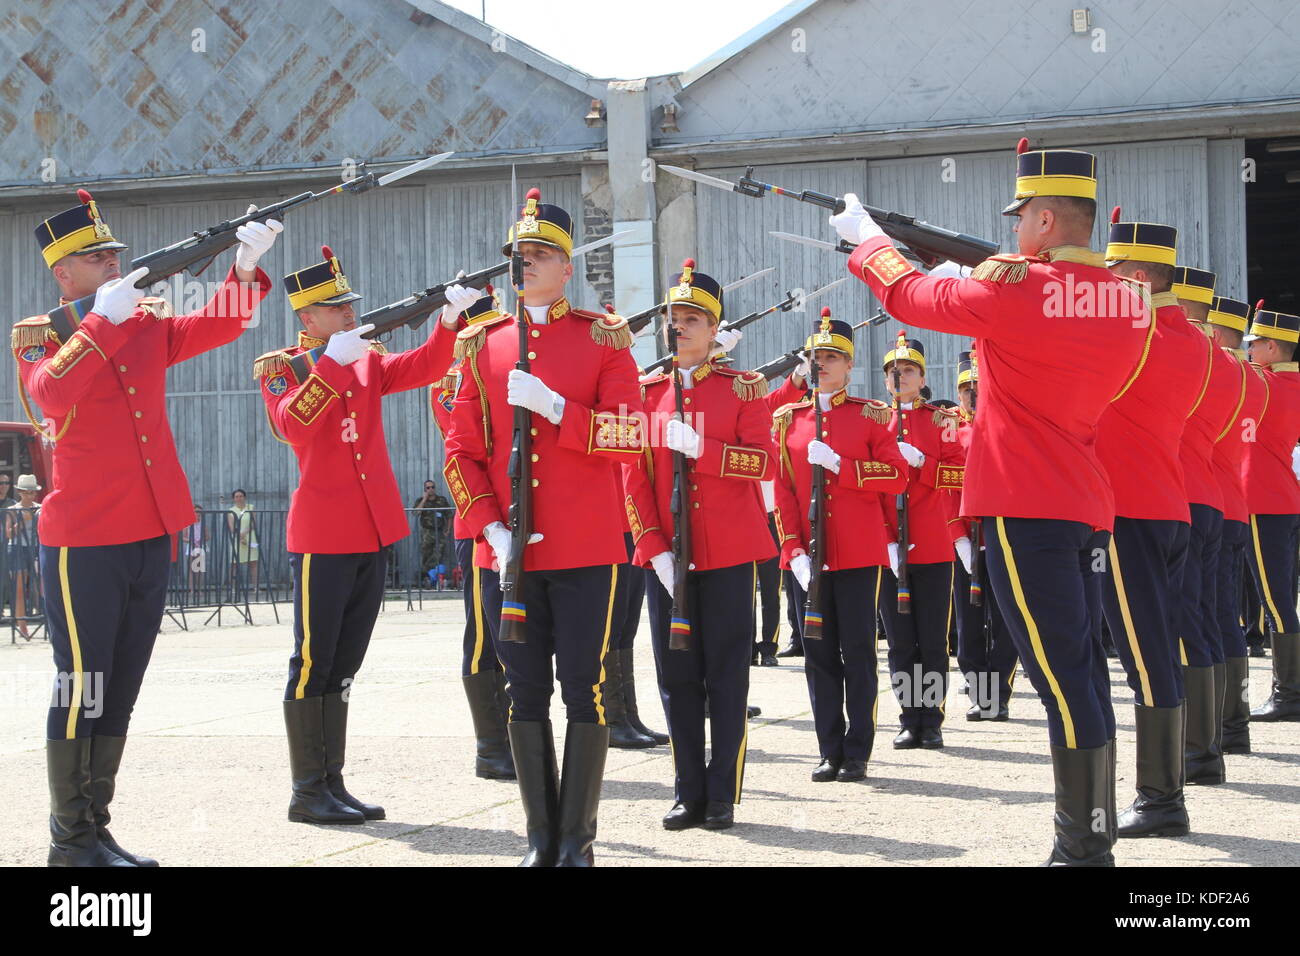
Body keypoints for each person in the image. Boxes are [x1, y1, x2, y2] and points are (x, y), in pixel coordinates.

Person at [833, 140, 1149, 865]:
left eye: (1019, 219)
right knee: (1083, 674)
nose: (1012, 232)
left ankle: (1082, 850)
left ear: (1042, 219)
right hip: (1086, 507)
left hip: (1023, 503)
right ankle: (1091, 837)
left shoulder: (1013, 287)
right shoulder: (1128, 302)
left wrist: (871, 243)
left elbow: (910, 297)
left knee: (1061, 680)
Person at [15, 188, 279, 866]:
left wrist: (244, 269)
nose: (113, 264)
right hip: (83, 542)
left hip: (148, 531)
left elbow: (218, 326)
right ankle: (67, 839)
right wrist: (100, 323)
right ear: (63, 272)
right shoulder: (43, 335)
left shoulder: (146, 321)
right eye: (97, 257)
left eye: (114, 255)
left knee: (121, 689)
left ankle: (95, 827)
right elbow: (47, 392)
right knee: (83, 686)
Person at [443, 189, 645, 865]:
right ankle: (539, 839)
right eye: (518, 255)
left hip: (587, 548)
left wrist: (560, 408)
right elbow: (460, 451)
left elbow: (630, 437)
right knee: (523, 691)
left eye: (538, 255)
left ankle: (576, 840)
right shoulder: (481, 345)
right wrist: (490, 532)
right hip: (510, 555)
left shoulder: (602, 338)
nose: (523, 265)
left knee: (583, 689)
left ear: (567, 267)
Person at [256, 244, 458, 825]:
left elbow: (422, 367)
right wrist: (333, 362)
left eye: (349, 306)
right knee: (313, 662)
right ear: (306, 320)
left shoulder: (367, 358)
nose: (348, 315)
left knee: (345, 665)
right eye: (334, 308)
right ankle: (305, 789)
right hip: (323, 535)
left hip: (371, 529)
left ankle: (332, 781)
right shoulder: (284, 369)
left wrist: (446, 321)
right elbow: (292, 423)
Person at [621, 259, 775, 830]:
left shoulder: (743, 389)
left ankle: (722, 793)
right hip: (667, 562)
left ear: (715, 330)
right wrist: (652, 546)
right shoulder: (645, 393)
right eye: (673, 318)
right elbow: (631, 476)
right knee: (676, 679)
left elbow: (761, 463)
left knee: (727, 677)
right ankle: (687, 790)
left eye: (691, 319)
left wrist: (703, 450)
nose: (678, 327)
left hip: (729, 556)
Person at [1094, 218, 1211, 837]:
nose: (1100, 283)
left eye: (1111, 273)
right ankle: (1167, 790)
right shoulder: (1188, 337)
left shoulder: (1130, 334)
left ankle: (1162, 800)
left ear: (1136, 278)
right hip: (1168, 506)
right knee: (1159, 648)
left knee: (1144, 658)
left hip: (1130, 509)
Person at [772, 308, 906, 782]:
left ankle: (858, 749)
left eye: (832, 357)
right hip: (809, 558)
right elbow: (782, 491)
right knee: (818, 656)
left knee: (858, 651)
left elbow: (897, 475)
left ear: (849, 366)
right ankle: (829, 748)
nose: (822, 364)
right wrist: (793, 550)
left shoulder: (871, 416)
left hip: (856, 553)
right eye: (816, 357)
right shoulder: (787, 420)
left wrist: (842, 468)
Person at [430, 289, 514, 780]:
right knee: (484, 637)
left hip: (519, 515)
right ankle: (491, 746)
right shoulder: (453, 374)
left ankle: (512, 737)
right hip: (477, 522)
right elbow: (458, 437)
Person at [876, 334, 966, 750]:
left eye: (908, 371)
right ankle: (907, 716)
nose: (900, 377)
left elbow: (960, 476)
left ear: (922, 377)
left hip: (931, 542)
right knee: (899, 641)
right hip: (887, 545)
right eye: (894, 372)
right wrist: (883, 539)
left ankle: (931, 719)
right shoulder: (874, 420)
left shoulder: (941, 421)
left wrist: (923, 464)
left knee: (931, 638)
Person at [1190, 289, 1269, 754]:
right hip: (1233, 502)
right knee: (1225, 617)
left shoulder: (1213, 370)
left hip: (1205, 500)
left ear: (1215, 330)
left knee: (1203, 617)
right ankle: (1232, 725)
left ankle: (1211, 732)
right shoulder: (1254, 380)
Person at [951, 349, 1017, 721]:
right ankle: (980, 690)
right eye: (966, 389)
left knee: (1006, 623)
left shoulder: (1007, 430)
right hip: (966, 542)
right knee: (969, 626)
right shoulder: (950, 431)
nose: (972, 394)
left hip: (1001, 536)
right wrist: (957, 536)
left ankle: (998, 694)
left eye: (979, 386)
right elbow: (944, 490)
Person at [1242, 305, 1300, 722]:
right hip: (1283, 499)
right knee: (1284, 597)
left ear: (1273, 347)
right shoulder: (1287, 385)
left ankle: (1289, 694)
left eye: (1256, 344)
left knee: (1275, 601)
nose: (1249, 352)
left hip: (1264, 501)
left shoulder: (1261, 385)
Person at [6, 474, 42, 641]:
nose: (30, 495)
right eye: (26, 492)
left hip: (36, 548)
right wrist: (23, 521)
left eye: (32, 492)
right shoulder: (13, 509)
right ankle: (22, 626)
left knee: (42, 586)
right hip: (17, 548)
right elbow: (9, 533)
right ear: (20, 492)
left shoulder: (40, 508)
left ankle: (47, 621)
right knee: (19, 588)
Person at [412, 480, 450, 588]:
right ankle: (428, 579)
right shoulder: (420, 500)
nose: (431, 489)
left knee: (438, 555)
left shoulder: (441, 500)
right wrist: (424, 499)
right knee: (426, 556)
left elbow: (449, 515)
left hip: (439, 532)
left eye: (432, 487)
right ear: (425, 489)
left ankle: (437, 579)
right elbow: (415, 512)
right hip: (426, 533)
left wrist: (448, 529)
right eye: (428, 488)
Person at [226, 488, 259, 598]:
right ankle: (233, 588)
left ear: (244, 497)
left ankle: (256, 587)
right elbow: (232, 527)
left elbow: (253, 523)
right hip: (237, 539)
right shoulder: (231, 510)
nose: (239, 498)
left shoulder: (251, 507)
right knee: (234, 564)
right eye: (236, 496)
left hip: (250, 537)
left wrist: (244, 533)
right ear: (233, 498)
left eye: (241, 496)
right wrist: (239, 536)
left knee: (253, 563)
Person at [185, 504, 208, 606]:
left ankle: (199, 589)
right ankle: (192, 589)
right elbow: (183, 537)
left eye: (199, 512)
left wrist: (201, 540)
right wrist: (191, 541)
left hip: (200, 547)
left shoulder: (203, 524)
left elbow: (208, 536)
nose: (197, 514)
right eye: (196, 511)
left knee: (199, 569)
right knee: (191, 569)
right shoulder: (188, 524)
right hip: (191, 547)